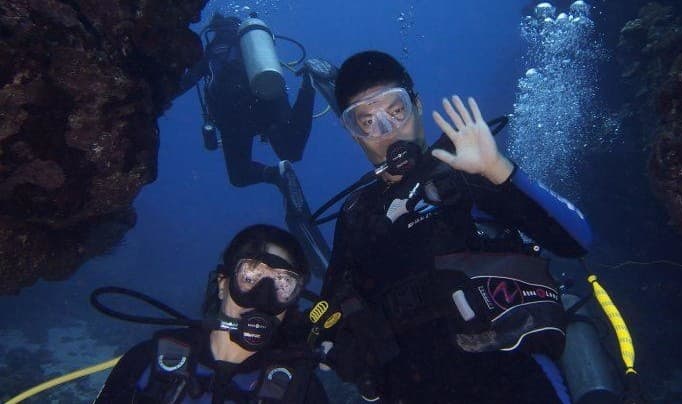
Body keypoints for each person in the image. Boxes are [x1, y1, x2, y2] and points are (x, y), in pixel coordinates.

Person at [318, 51, 594, 403]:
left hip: (517, 379)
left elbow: (577, 239)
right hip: (411, 388)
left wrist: (499, 171)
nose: (387, 133)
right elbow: (331, 310)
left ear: (417, 105)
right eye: (367, 122)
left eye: (396, 111)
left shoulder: (470, 170)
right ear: (353, 133)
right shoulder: (357, 215)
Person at [95, 224, 328, 403]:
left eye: (283, 284)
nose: (262, 299)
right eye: (250, 277)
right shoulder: (147, 362)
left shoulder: (301, 389)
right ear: (222, 284)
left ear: (292, 301)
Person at [181, 13, 324, 188]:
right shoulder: (251, 49)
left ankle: (276, 174)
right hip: (267, 101)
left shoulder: (211, 54)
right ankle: (308, 86)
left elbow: (185, 83)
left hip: (233, 117)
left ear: (214, 31)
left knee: (239, 175)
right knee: (292, 151)